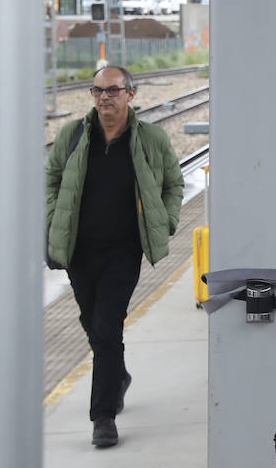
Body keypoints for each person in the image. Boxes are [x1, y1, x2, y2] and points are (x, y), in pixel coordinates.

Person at [45, 65, 183, 448]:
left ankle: (103, 416)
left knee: (107, 327)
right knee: (93, 322)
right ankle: (117, 375)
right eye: (98, 91)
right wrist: (52, 218)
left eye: (112, 91)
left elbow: (173, 183)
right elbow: (52, 178)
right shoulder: (73, 135)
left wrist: (167, 220)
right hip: (79, 250)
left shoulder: (150, 139)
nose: (104, 97)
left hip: (124, 251)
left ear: (130, 95)